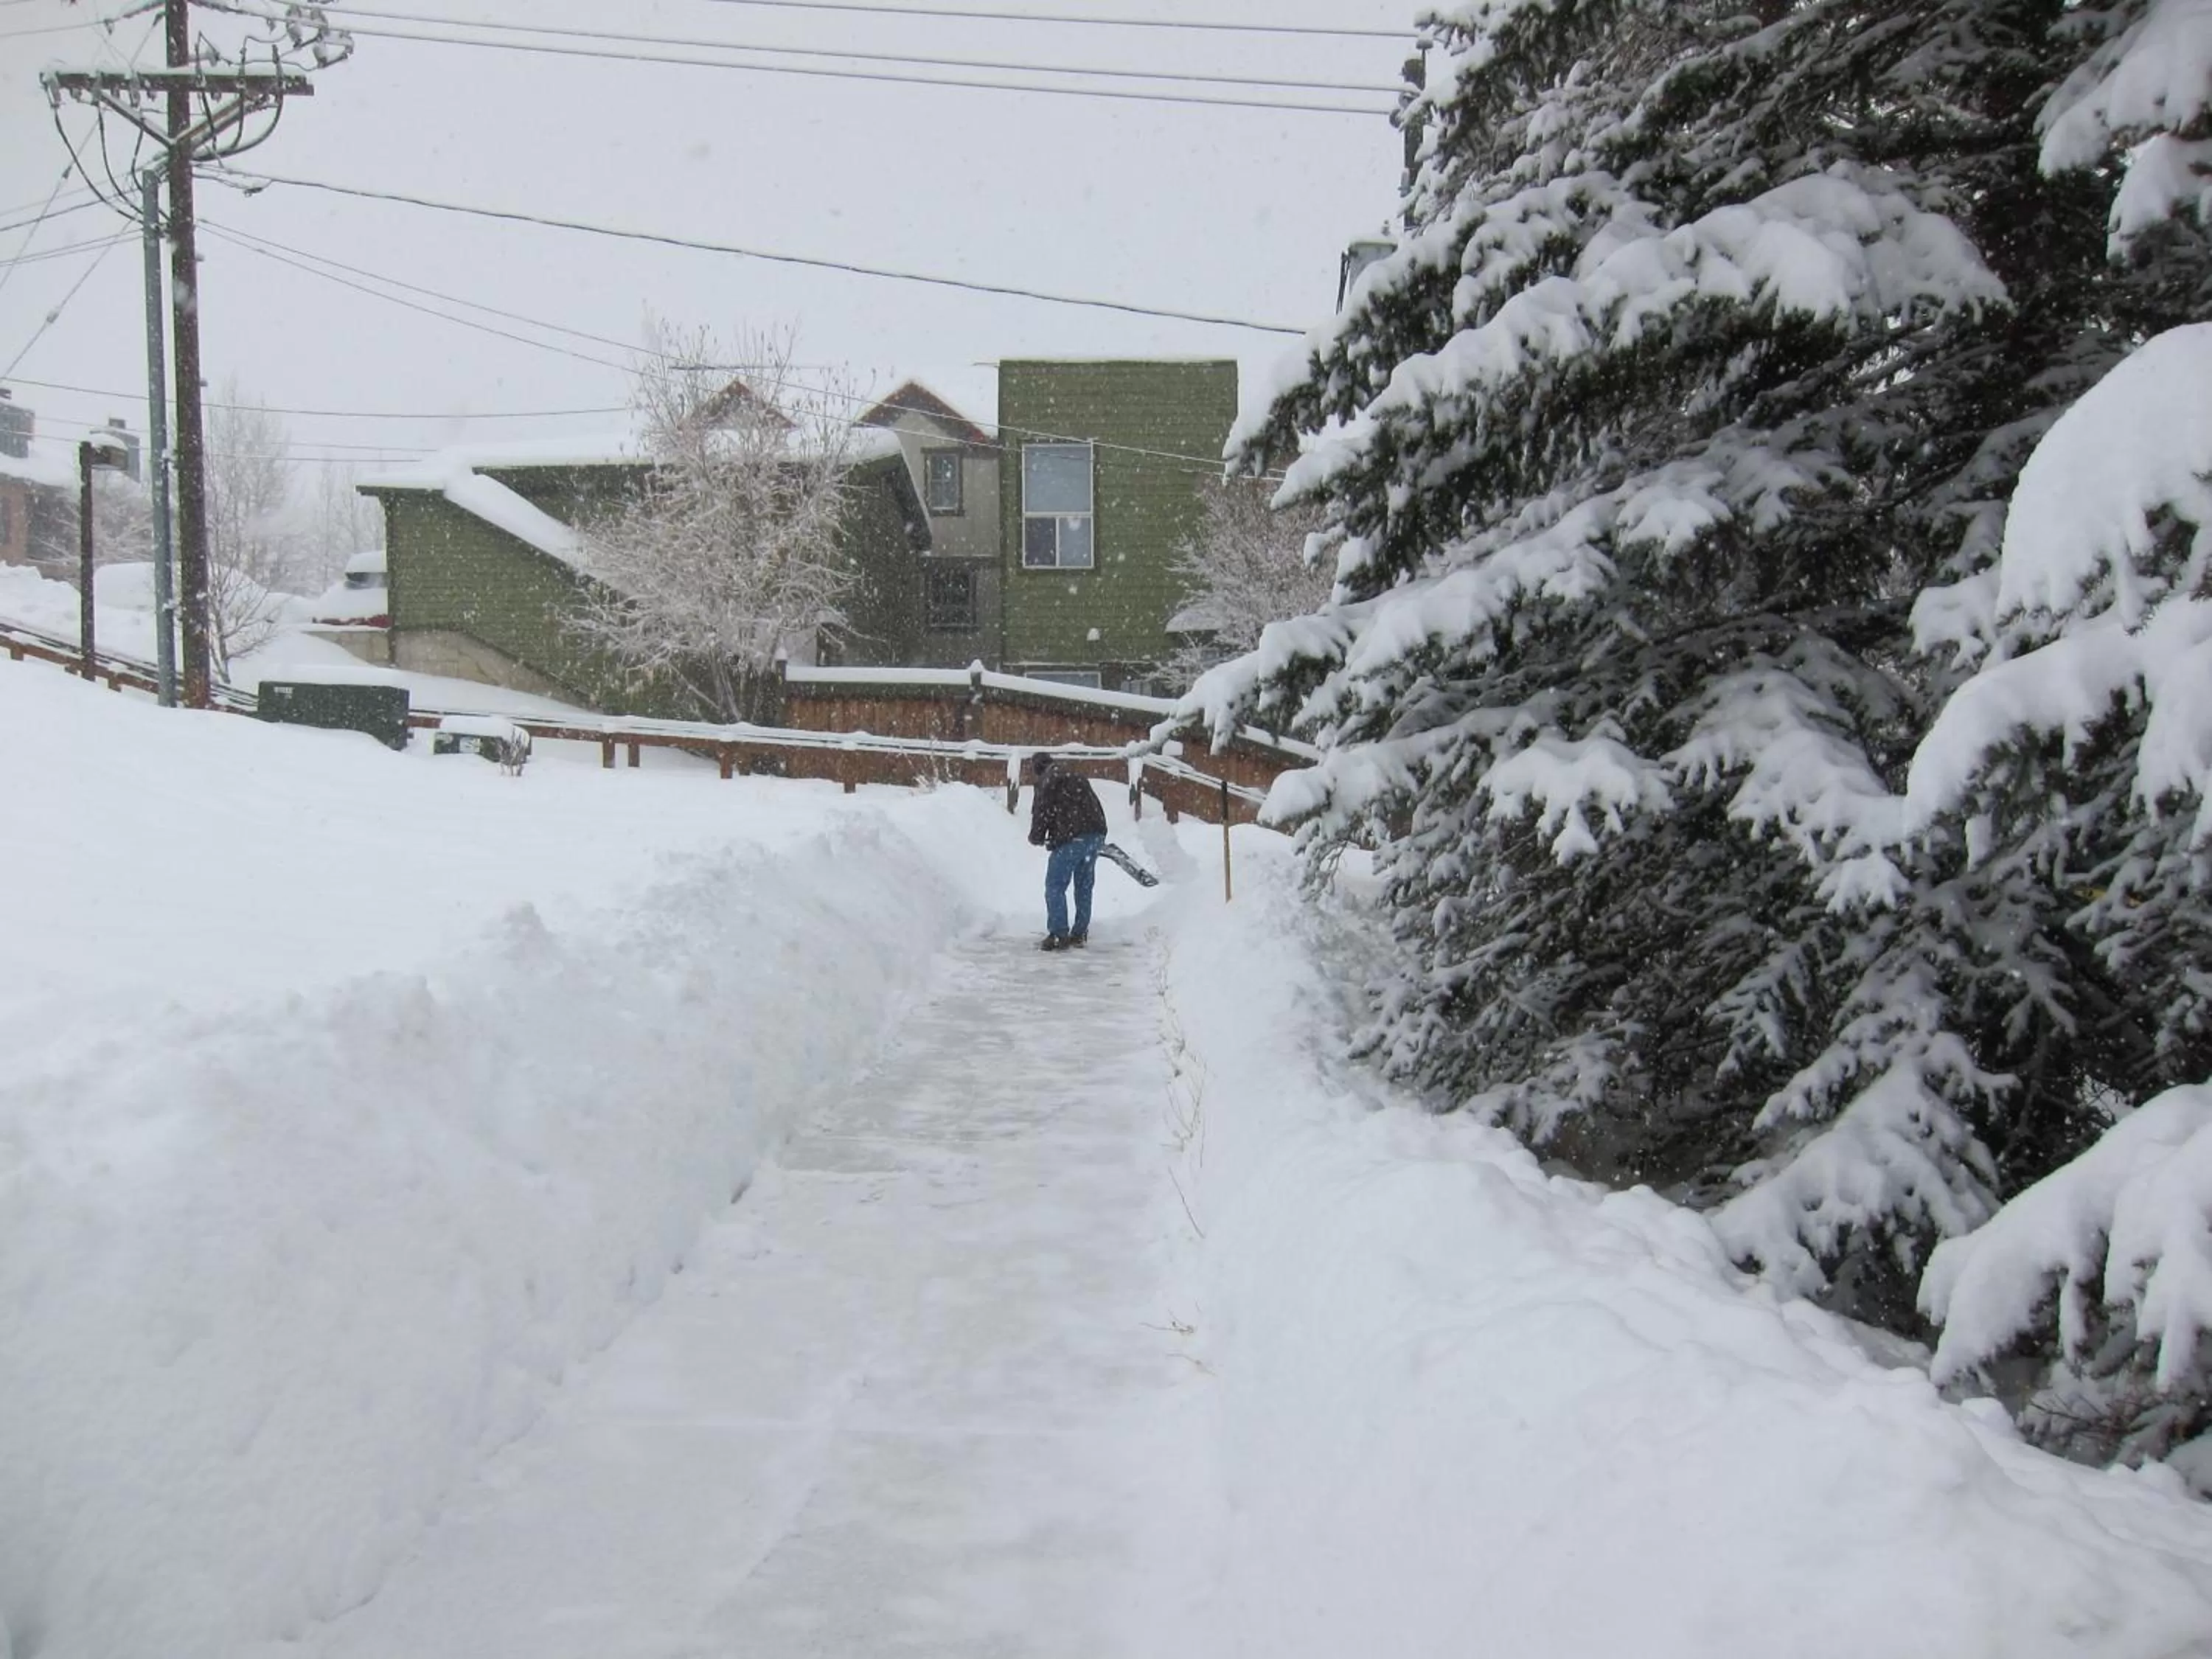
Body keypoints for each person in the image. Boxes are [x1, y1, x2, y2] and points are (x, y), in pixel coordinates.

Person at [1027, 752, 1108, 950]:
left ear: (1037, 768)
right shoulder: (1076, 775)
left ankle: (1058, 934)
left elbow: (1042, 812)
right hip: (1095, 835)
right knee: (1084, 885)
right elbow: (1094, 805)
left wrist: (1036, 837)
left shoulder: (1047, 781)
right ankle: (1079, 933)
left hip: (1071, 839)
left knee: (1055, 885)